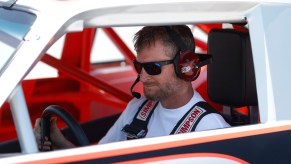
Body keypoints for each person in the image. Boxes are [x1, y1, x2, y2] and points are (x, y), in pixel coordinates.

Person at [34, 25, 230, 151]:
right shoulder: (138, 108)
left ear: (185, 66)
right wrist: (60, 143)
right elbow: (102, 158)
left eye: (153, 68)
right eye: (139, 66)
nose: (143, 77)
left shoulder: (208, 128)